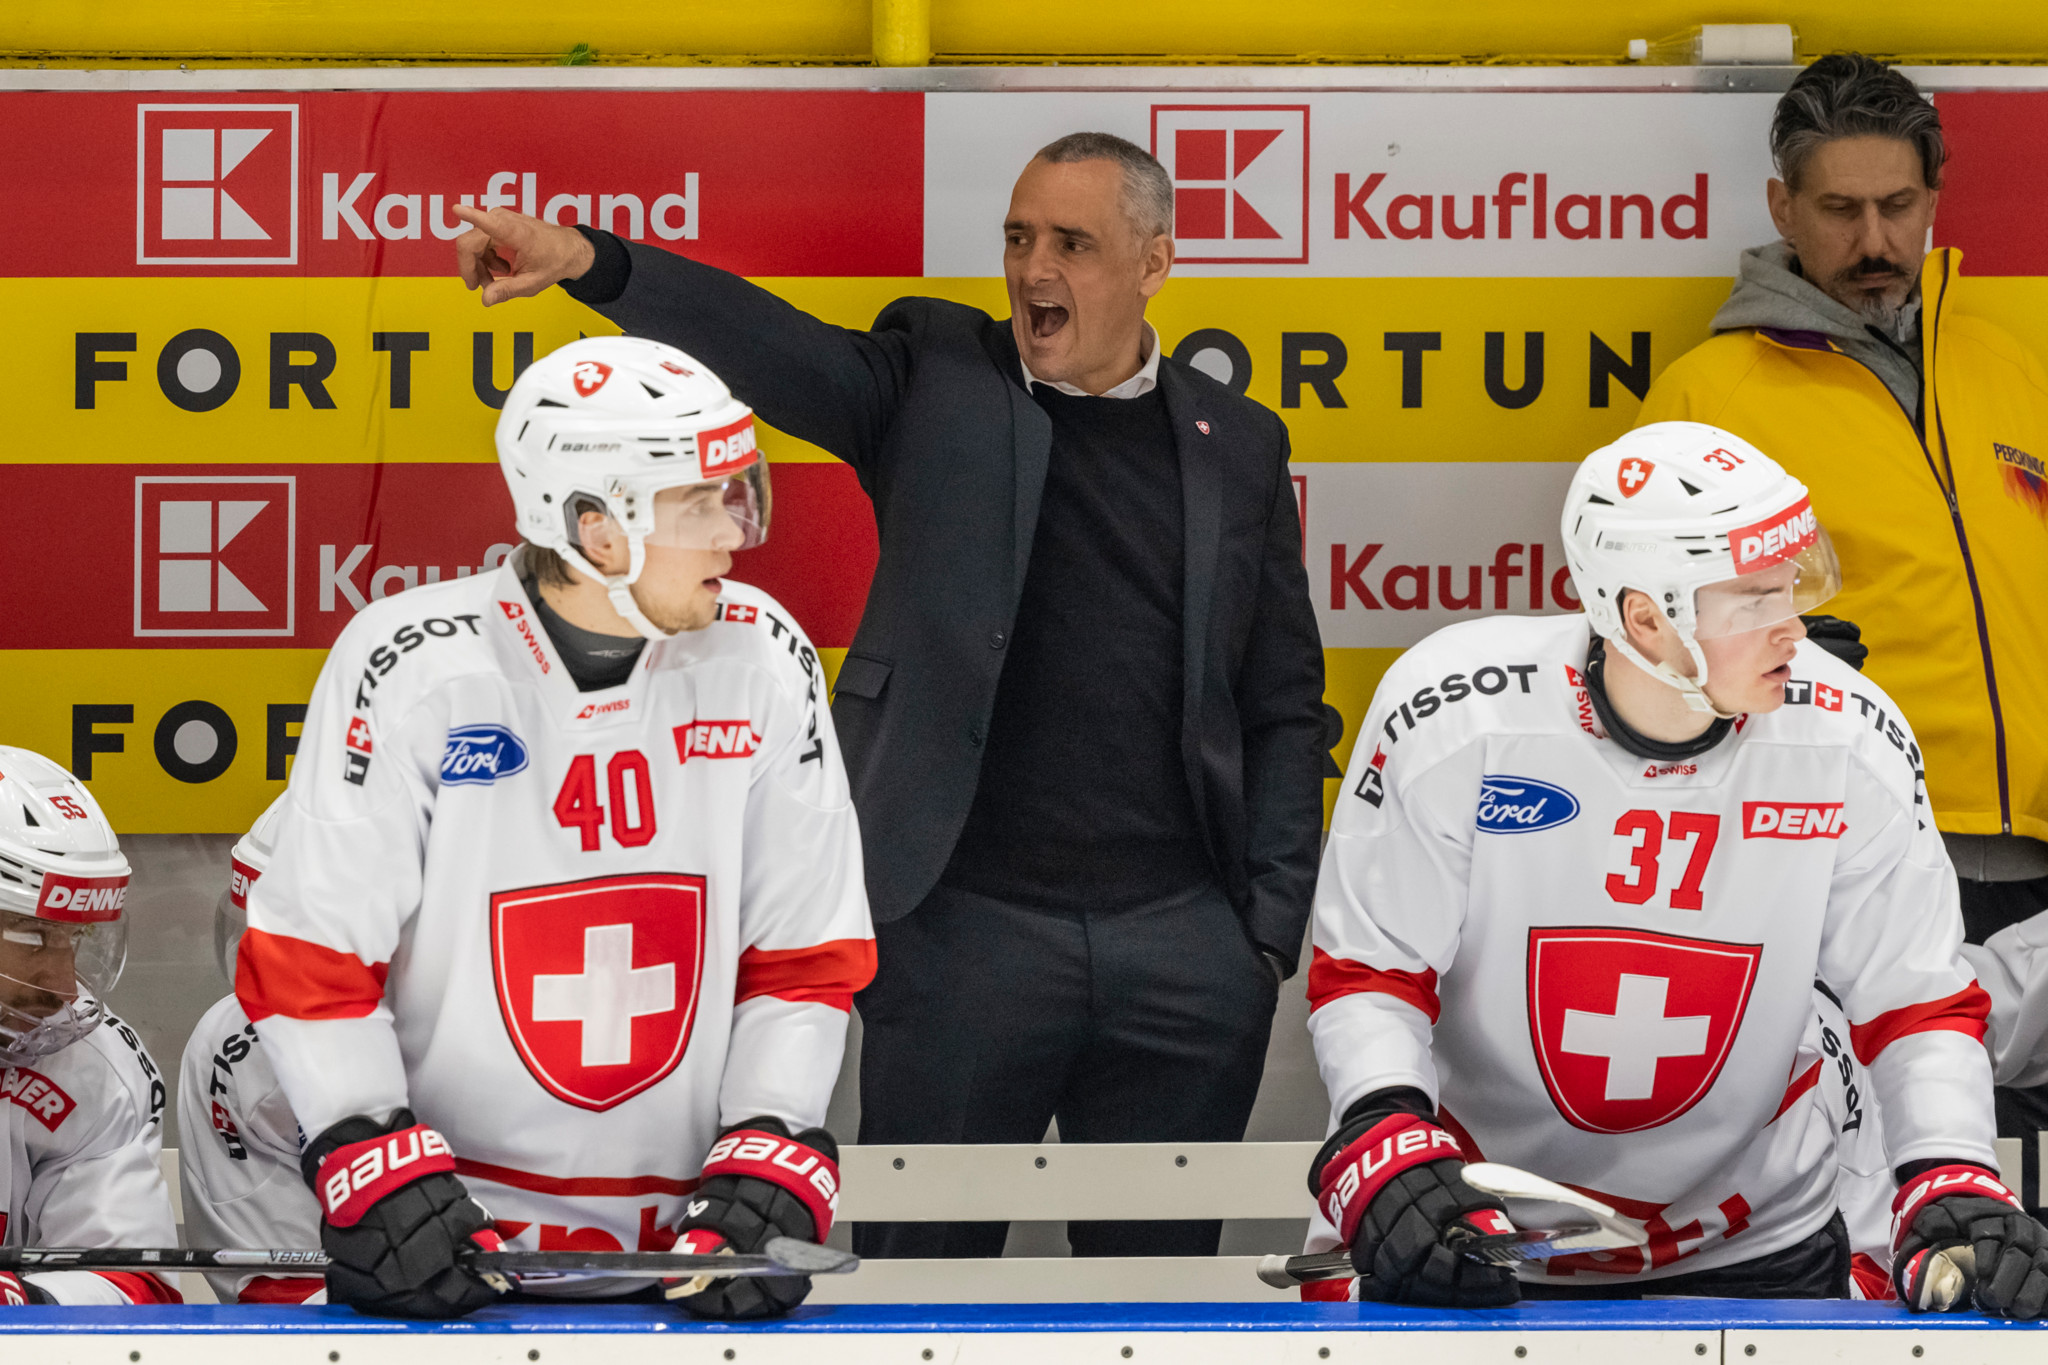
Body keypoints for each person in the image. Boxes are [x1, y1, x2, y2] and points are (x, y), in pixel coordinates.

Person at [450, 131, 1327, 1259]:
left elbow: (1281, 696)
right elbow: (766, 345)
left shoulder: (1238, 442)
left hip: (1182, 954)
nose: (1033, 270)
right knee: (922, 1285)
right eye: (1017, 239)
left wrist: (1258, 933)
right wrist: (589, 261)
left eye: (1072, 243)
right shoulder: (934, 381)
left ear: (1154, 263)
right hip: (960, 935)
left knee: (1152, 1293)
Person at [1305, 421, 2048, 1316]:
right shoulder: (1453, 715)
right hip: (1473, 1220)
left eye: (1793, 586)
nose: (1795, 626)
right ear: (1643, 616)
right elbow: (1373, 971)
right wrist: (1386, 1133)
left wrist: (1951, 1172)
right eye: (1754, 598)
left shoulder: (1848, 730)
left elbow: (1915, 995)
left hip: (1759, 1230)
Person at [232, 336, 874, 1319]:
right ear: (594, 527)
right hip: (453, 1250)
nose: (734, 535)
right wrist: (374, 1164)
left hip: (684, 1259)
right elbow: (314, 958)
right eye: (699, 505)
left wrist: (772, 1150)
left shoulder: (762, 653)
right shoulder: (413, 668)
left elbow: (802, 953)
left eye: (739, 495)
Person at [1636, 54, 2048, 1207]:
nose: (1872, 238)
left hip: (2039, 869)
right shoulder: (1706, 399)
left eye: (1896, 206)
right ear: (1781, 207)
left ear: (1932, 199)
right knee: (1899, 1209)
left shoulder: (2012, 373)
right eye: (1837, 208)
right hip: (1853, 870)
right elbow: (1648, 655)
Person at [0, 745, 181, 1307]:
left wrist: (22, 1301)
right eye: (33, 936)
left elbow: (134, 1285)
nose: (63, 985)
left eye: (72, 937)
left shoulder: (93, 1066)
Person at [180, 795, 327, 1305]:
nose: (273, 984)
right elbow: (277, 1291)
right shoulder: (235, 1047)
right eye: (264, 940)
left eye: (309, 947)